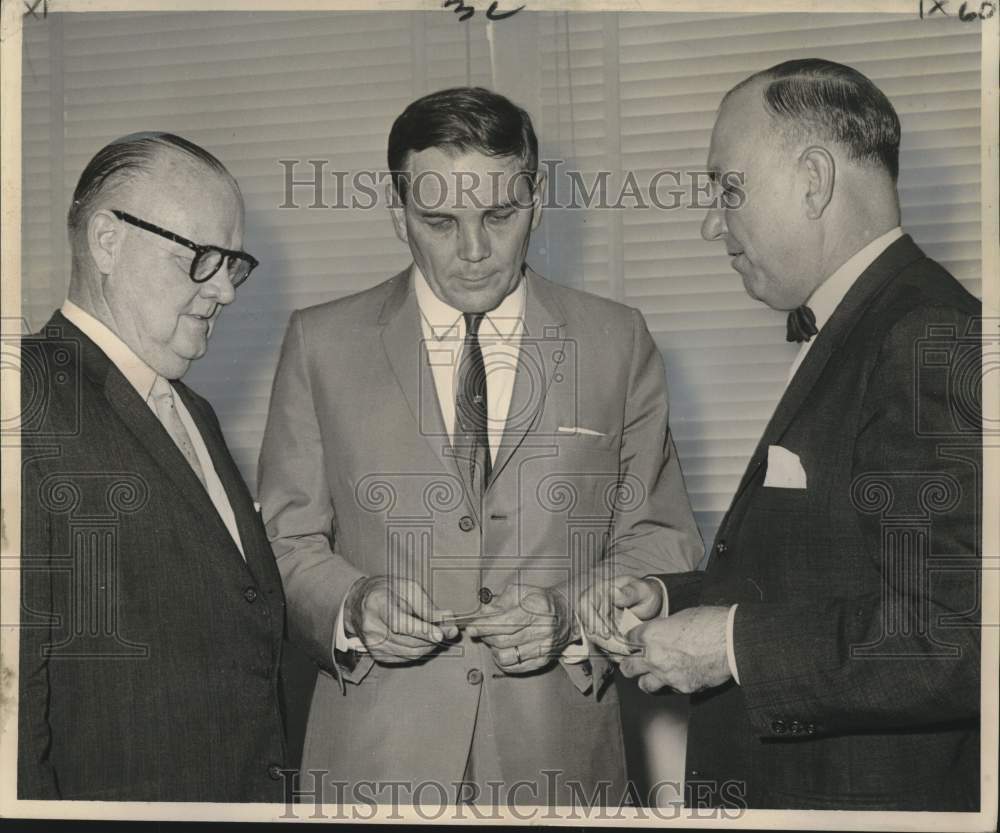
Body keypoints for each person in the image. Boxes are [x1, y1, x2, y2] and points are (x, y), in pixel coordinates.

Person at [258, 86, 703, 805]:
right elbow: (283, 543)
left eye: (500, 215)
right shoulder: (320, 344)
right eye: (439, 221)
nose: (474, 252)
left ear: (537, 200)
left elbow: (663, 538)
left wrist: (570, 615)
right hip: (374, 764)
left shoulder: (617, 341)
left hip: (559, 765)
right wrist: (355, 604)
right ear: (397, 213)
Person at [594, 59, 981, 811]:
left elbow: (955, 632)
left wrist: (727, 644)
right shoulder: (872, 321)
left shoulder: (926, 334)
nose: (712, 222)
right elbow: (833, 571)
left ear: (813, 180)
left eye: (728, 188)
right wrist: (669, 600)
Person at [18, 133, 287, 802]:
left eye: (233, 264)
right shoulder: (25, 395)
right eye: (200, 258)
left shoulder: (193, 411)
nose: (224, 291)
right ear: (107, 241)